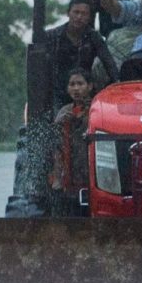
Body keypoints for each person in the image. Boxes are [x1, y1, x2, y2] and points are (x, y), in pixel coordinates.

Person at [43, 0, 118, 104]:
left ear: (89, 17)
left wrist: (115, 85)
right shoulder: (52, 36)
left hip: (84, 94)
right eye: (76, 12)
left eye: (84, 13)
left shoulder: (94, 37)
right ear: (68, 13)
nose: (79, 17)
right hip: (56, 94)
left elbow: (109, 64)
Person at [50, 69, 94, 200]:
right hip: (69, 175)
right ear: (67, 88)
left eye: (80, 84)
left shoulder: (96, 109)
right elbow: (55, 144)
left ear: (90, 86)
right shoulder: (65, 111)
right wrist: (59, 124)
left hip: (90, 174)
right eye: (72, 84)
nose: (76, 88)